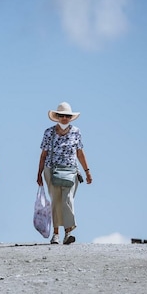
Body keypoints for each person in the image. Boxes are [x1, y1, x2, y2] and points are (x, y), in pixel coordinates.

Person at [37, 102, 92, 245]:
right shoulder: (49, 132)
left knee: (67, 200)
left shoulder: (76, 132)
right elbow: (43, 154)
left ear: (71, 117)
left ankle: (68, 233)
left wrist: (87, 171)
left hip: (71, 171)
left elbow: (80, 153)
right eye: (61, 115)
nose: (64, 118)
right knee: (56, 200)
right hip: (51, 170)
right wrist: (39, 173)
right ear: (57, 117)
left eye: (67, 116)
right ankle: (56, 234)